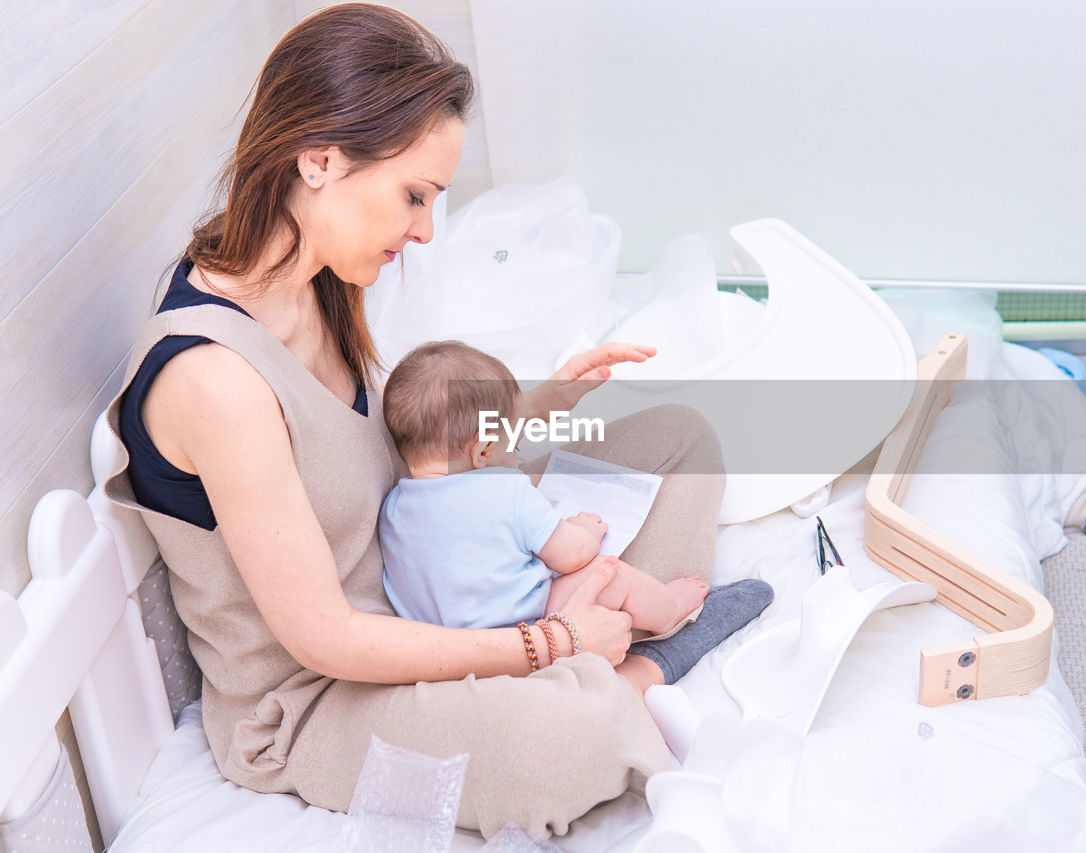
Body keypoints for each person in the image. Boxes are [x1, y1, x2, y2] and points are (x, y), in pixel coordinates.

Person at [101, 3, 770, 840]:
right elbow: (330, 639)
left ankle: (620, 661)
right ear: (318, 159)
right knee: (573, 737)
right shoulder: (215, 381)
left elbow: (374, 454)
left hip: (424, 555)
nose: (422, 232)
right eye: (414, 196)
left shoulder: (319, 279)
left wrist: (532, 413)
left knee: (679, 440)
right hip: (321, 695)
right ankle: (637, 668)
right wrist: (549, 641)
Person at [379, 341, 710, 670]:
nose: (515, 459)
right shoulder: (506, 491)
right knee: (613, 575)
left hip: (440, 653)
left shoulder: (393, 508)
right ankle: (670, 610)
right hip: (523, 631)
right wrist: (585, 530)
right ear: (484, 451)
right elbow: (571, 556)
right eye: (514, 447)